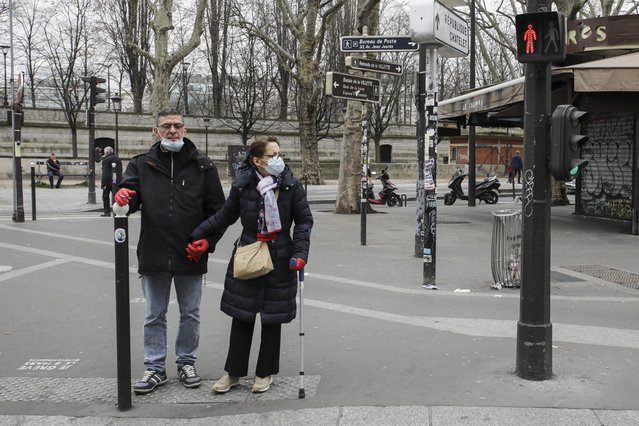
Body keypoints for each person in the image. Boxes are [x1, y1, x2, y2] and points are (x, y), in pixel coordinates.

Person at [188, 136, 313, 394]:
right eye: (272, 155)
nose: (279, 160)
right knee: (241, 315)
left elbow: (304, 221)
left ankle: (264, 373)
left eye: (280, 154)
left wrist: (300, 252)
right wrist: (197, 235)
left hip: (280, 256)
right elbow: (225, 215)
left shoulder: (291, 185)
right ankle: (232, 372)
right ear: (257, 161)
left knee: (272, 317)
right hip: (247, 252)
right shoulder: (243, 185)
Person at [114, 109, 226, 395]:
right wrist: (122, 198)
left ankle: (186, 361)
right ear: (156, 131)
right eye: (166, 126)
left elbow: (218, 211)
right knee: (154, 313)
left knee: (191, 313)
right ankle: (154, 367)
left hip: (190, 252)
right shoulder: (142, 164)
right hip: (153, 252)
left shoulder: (203, 166)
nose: (173, 131)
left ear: (185, 129)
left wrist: (208, 240)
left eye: (177, 126)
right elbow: (129, 198)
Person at [98, 146, 122, 217]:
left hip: (108, 181)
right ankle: (117, 211)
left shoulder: (106, 160)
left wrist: (104, 184)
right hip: (117, 181)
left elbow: (105, 173)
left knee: (105, 196)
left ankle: (107, 212)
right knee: (116, 197)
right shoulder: (117, 158)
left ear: (107, 152)